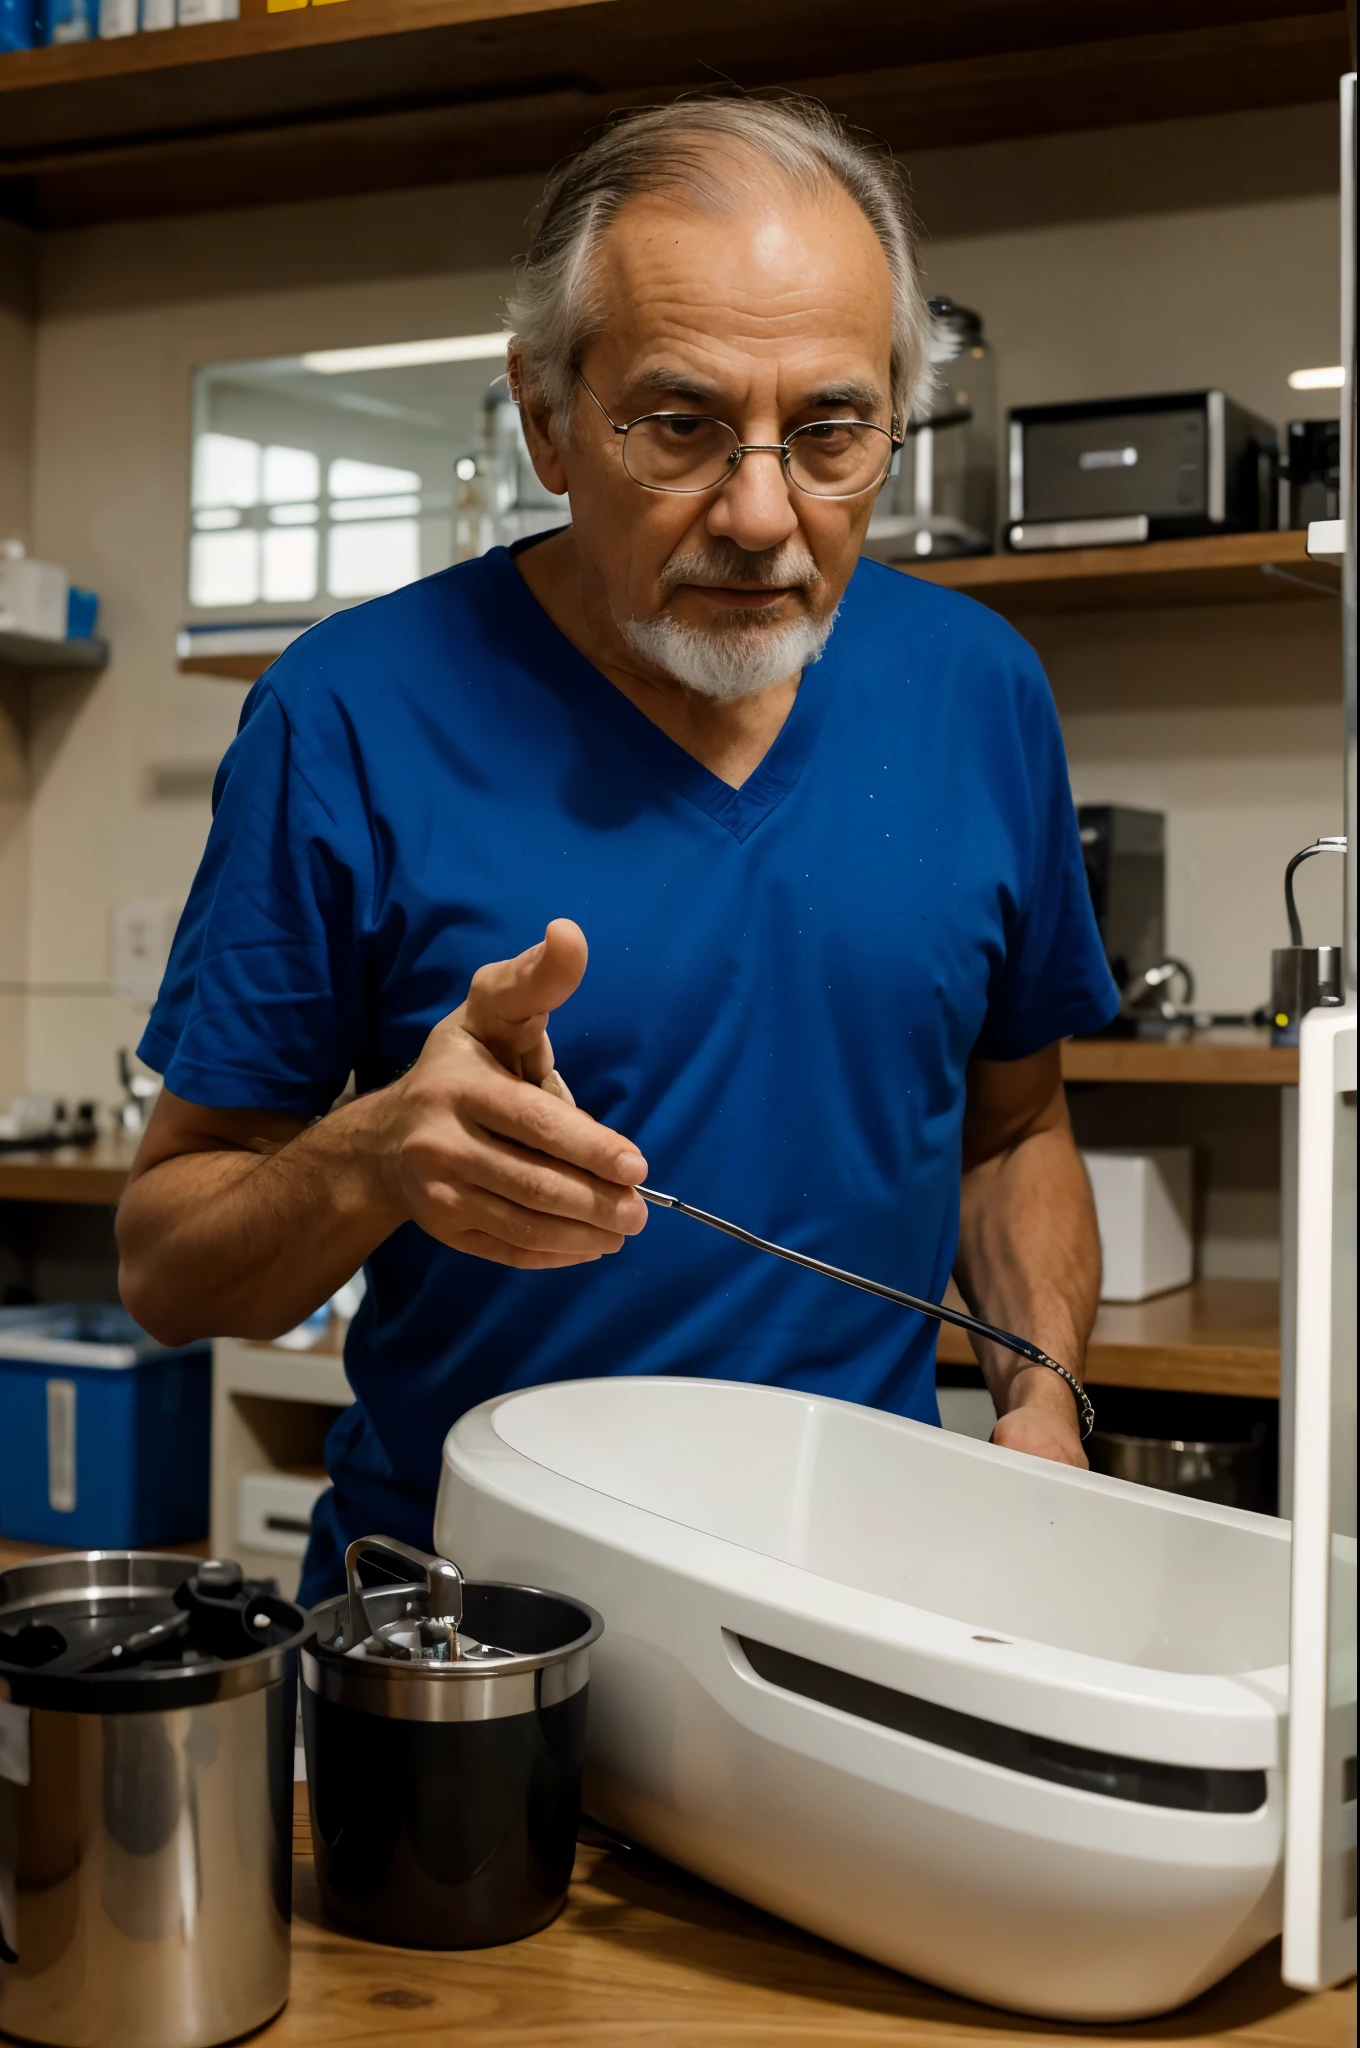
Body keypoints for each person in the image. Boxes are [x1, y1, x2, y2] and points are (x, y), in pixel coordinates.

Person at [117, 96, 1118, 1605]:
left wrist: (1041, 1395)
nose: (764, 512)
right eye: (682, 424)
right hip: (463, 1644)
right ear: (547, 420)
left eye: (833, 431)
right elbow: (166, 1263)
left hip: (855, 1616)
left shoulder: (980, 692)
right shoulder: (350, 715)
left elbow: (1012, 1132)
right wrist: (377, 1155)